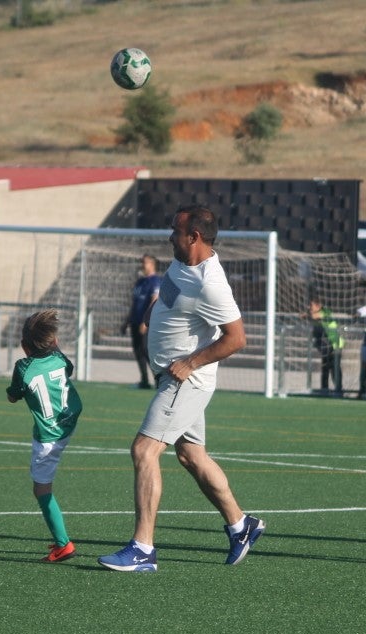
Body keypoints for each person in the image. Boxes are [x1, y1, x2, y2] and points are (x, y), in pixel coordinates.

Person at [98, 205, 265, 572]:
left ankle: (142, 549)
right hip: (172, 378)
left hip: (184, 382)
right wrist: (155, 310)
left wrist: (191, 363)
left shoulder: (211, 283)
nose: (169, 236)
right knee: (191, 456)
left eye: (175, 230)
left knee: (144, 451)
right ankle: (241, 526)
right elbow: (172, 294)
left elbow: (236, 338)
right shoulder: (181, 263)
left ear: (194, 237)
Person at [6, 309, 83, 563]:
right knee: (43, 485)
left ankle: (63, 545)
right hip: (69, 420)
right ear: (54, 341)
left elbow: (13, 396)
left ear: (24, 346)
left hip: (49, 436)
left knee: (41, 489)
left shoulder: (23, 368)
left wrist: (15, 393)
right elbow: (68, 369)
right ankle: (61, 541)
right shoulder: (60, 359)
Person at [122, 254, 161, 389]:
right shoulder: (140, 282)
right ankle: (144, 381)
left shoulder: (155, 281)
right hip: (135, 321)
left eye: (145, 262)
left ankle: (159, 380)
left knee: (146, 350)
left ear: (152, 264)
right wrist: (127, 321)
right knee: (138, 351)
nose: (142, 265)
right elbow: (135, 303)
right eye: (142, 262)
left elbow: (154, 300)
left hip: (146, 323)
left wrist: (146, 321)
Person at [306, 295, 343, 393]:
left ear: (318, 306)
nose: (309, 307)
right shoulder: (316, 317)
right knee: (325, 367)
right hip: (325, 345)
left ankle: (338, 389)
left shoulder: (326, 311)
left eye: (311, 305)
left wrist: (307, 314)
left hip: (335, 344)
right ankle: (324, 389)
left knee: (334, 367)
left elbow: (314, 316)